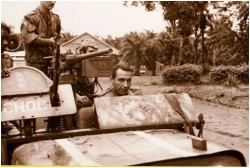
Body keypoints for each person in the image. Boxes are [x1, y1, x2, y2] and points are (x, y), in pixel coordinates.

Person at [75, 61, 142, 129]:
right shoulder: (102, 101)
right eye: (121, 80)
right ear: (112, 79)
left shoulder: (136, 96)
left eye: (129, 80)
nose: (125, 85)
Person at [20, 1, 61, 75]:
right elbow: (29, 38)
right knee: (35, 86)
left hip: (52, 64)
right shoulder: (30, 17)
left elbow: (58, 36)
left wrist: (57, 45)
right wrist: (49, 42)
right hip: (35, 65)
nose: (52, 2)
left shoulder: (56, 18)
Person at [1, 22, 19, 135]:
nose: (6, 43)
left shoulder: (6, 58)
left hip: (7, 110)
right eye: (2, 38)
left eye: (7, 39)